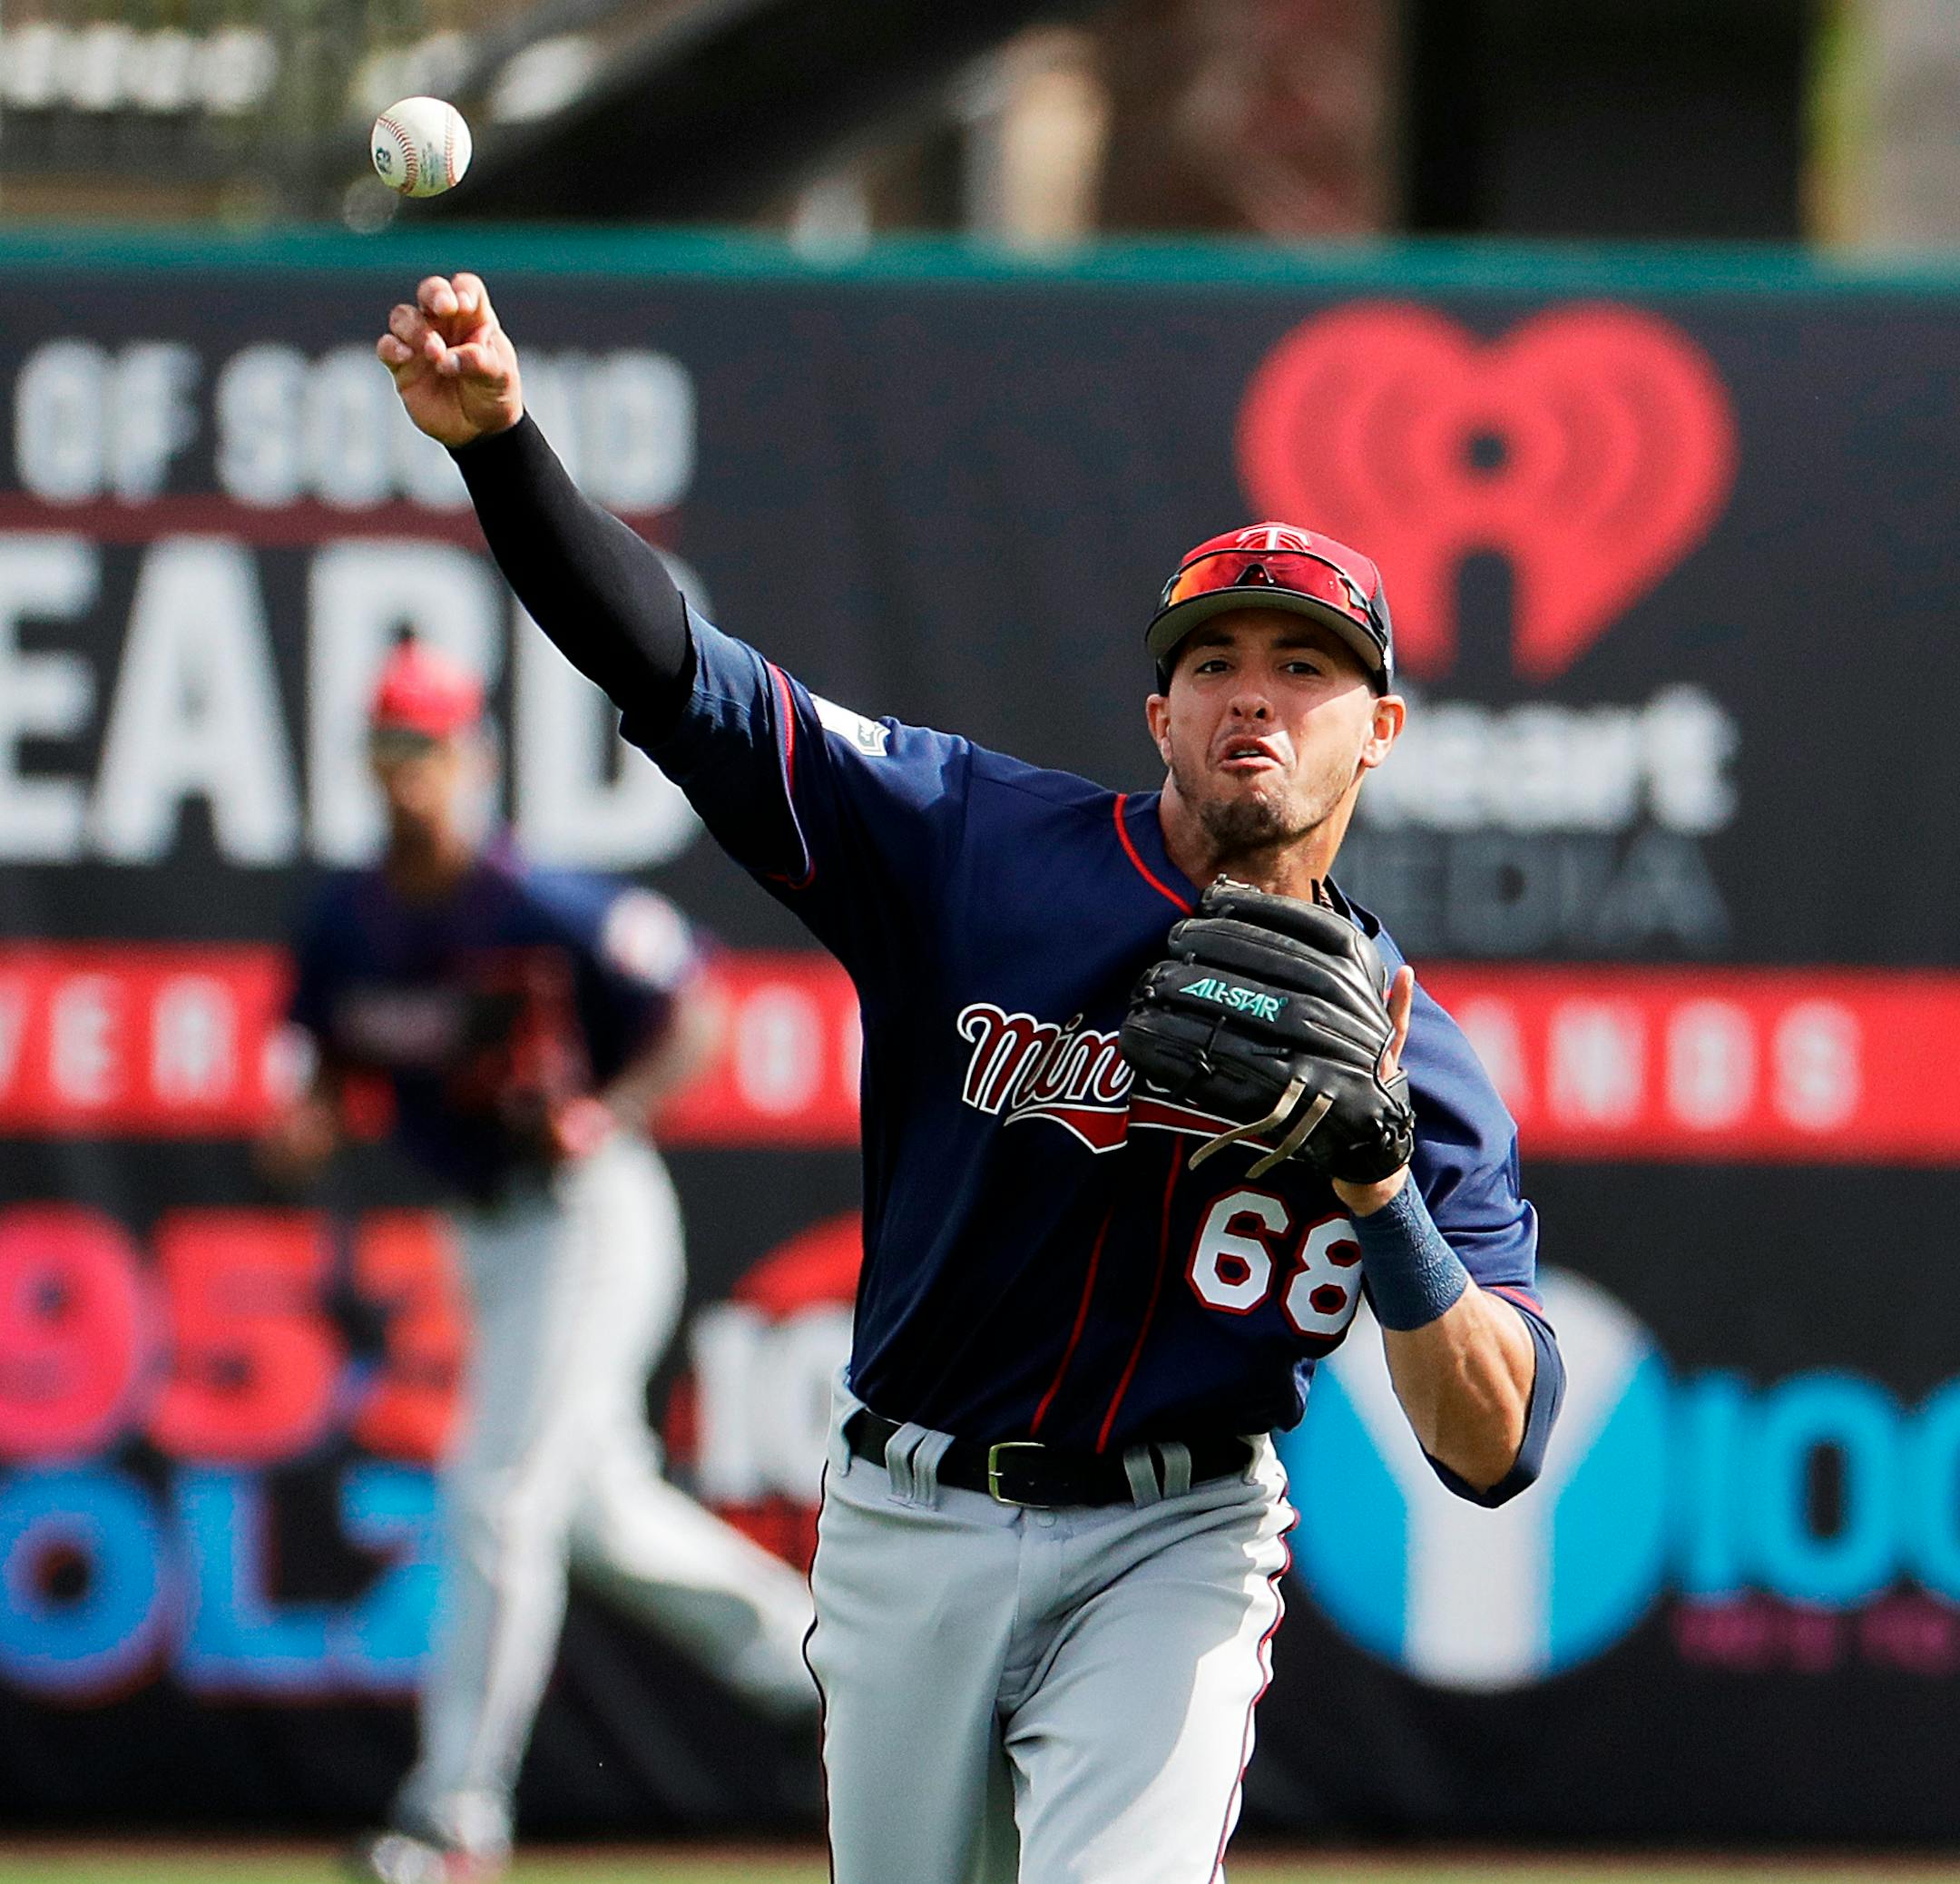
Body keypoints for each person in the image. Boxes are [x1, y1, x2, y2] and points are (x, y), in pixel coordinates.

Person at [376, 271, 1566, 1884]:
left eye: (1307, 667)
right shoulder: (970, 846)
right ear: (1160, 710)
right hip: (910, 1511)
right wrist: (505, 451)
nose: (1256, 697)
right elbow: (682, 681)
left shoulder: (1416, 1059)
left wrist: (1381, 1191)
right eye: (1216, 661)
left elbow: (1492, 1447)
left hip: (1179, 1533)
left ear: (1382, 729)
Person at [258, 631, 817, 1884]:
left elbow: (700, 996)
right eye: (394, 747)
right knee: (598, 1514)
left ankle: (455, 1819)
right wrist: (300, 1119)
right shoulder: (347, 920)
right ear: (370, 759)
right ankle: (826, 1673)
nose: (414, 774)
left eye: (434, 749)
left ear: (477, 758)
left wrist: (604, 1110)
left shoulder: (536, 902)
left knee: (496, 1497)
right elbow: (309, 1074)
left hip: (586, 1216)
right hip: (485, 1236)